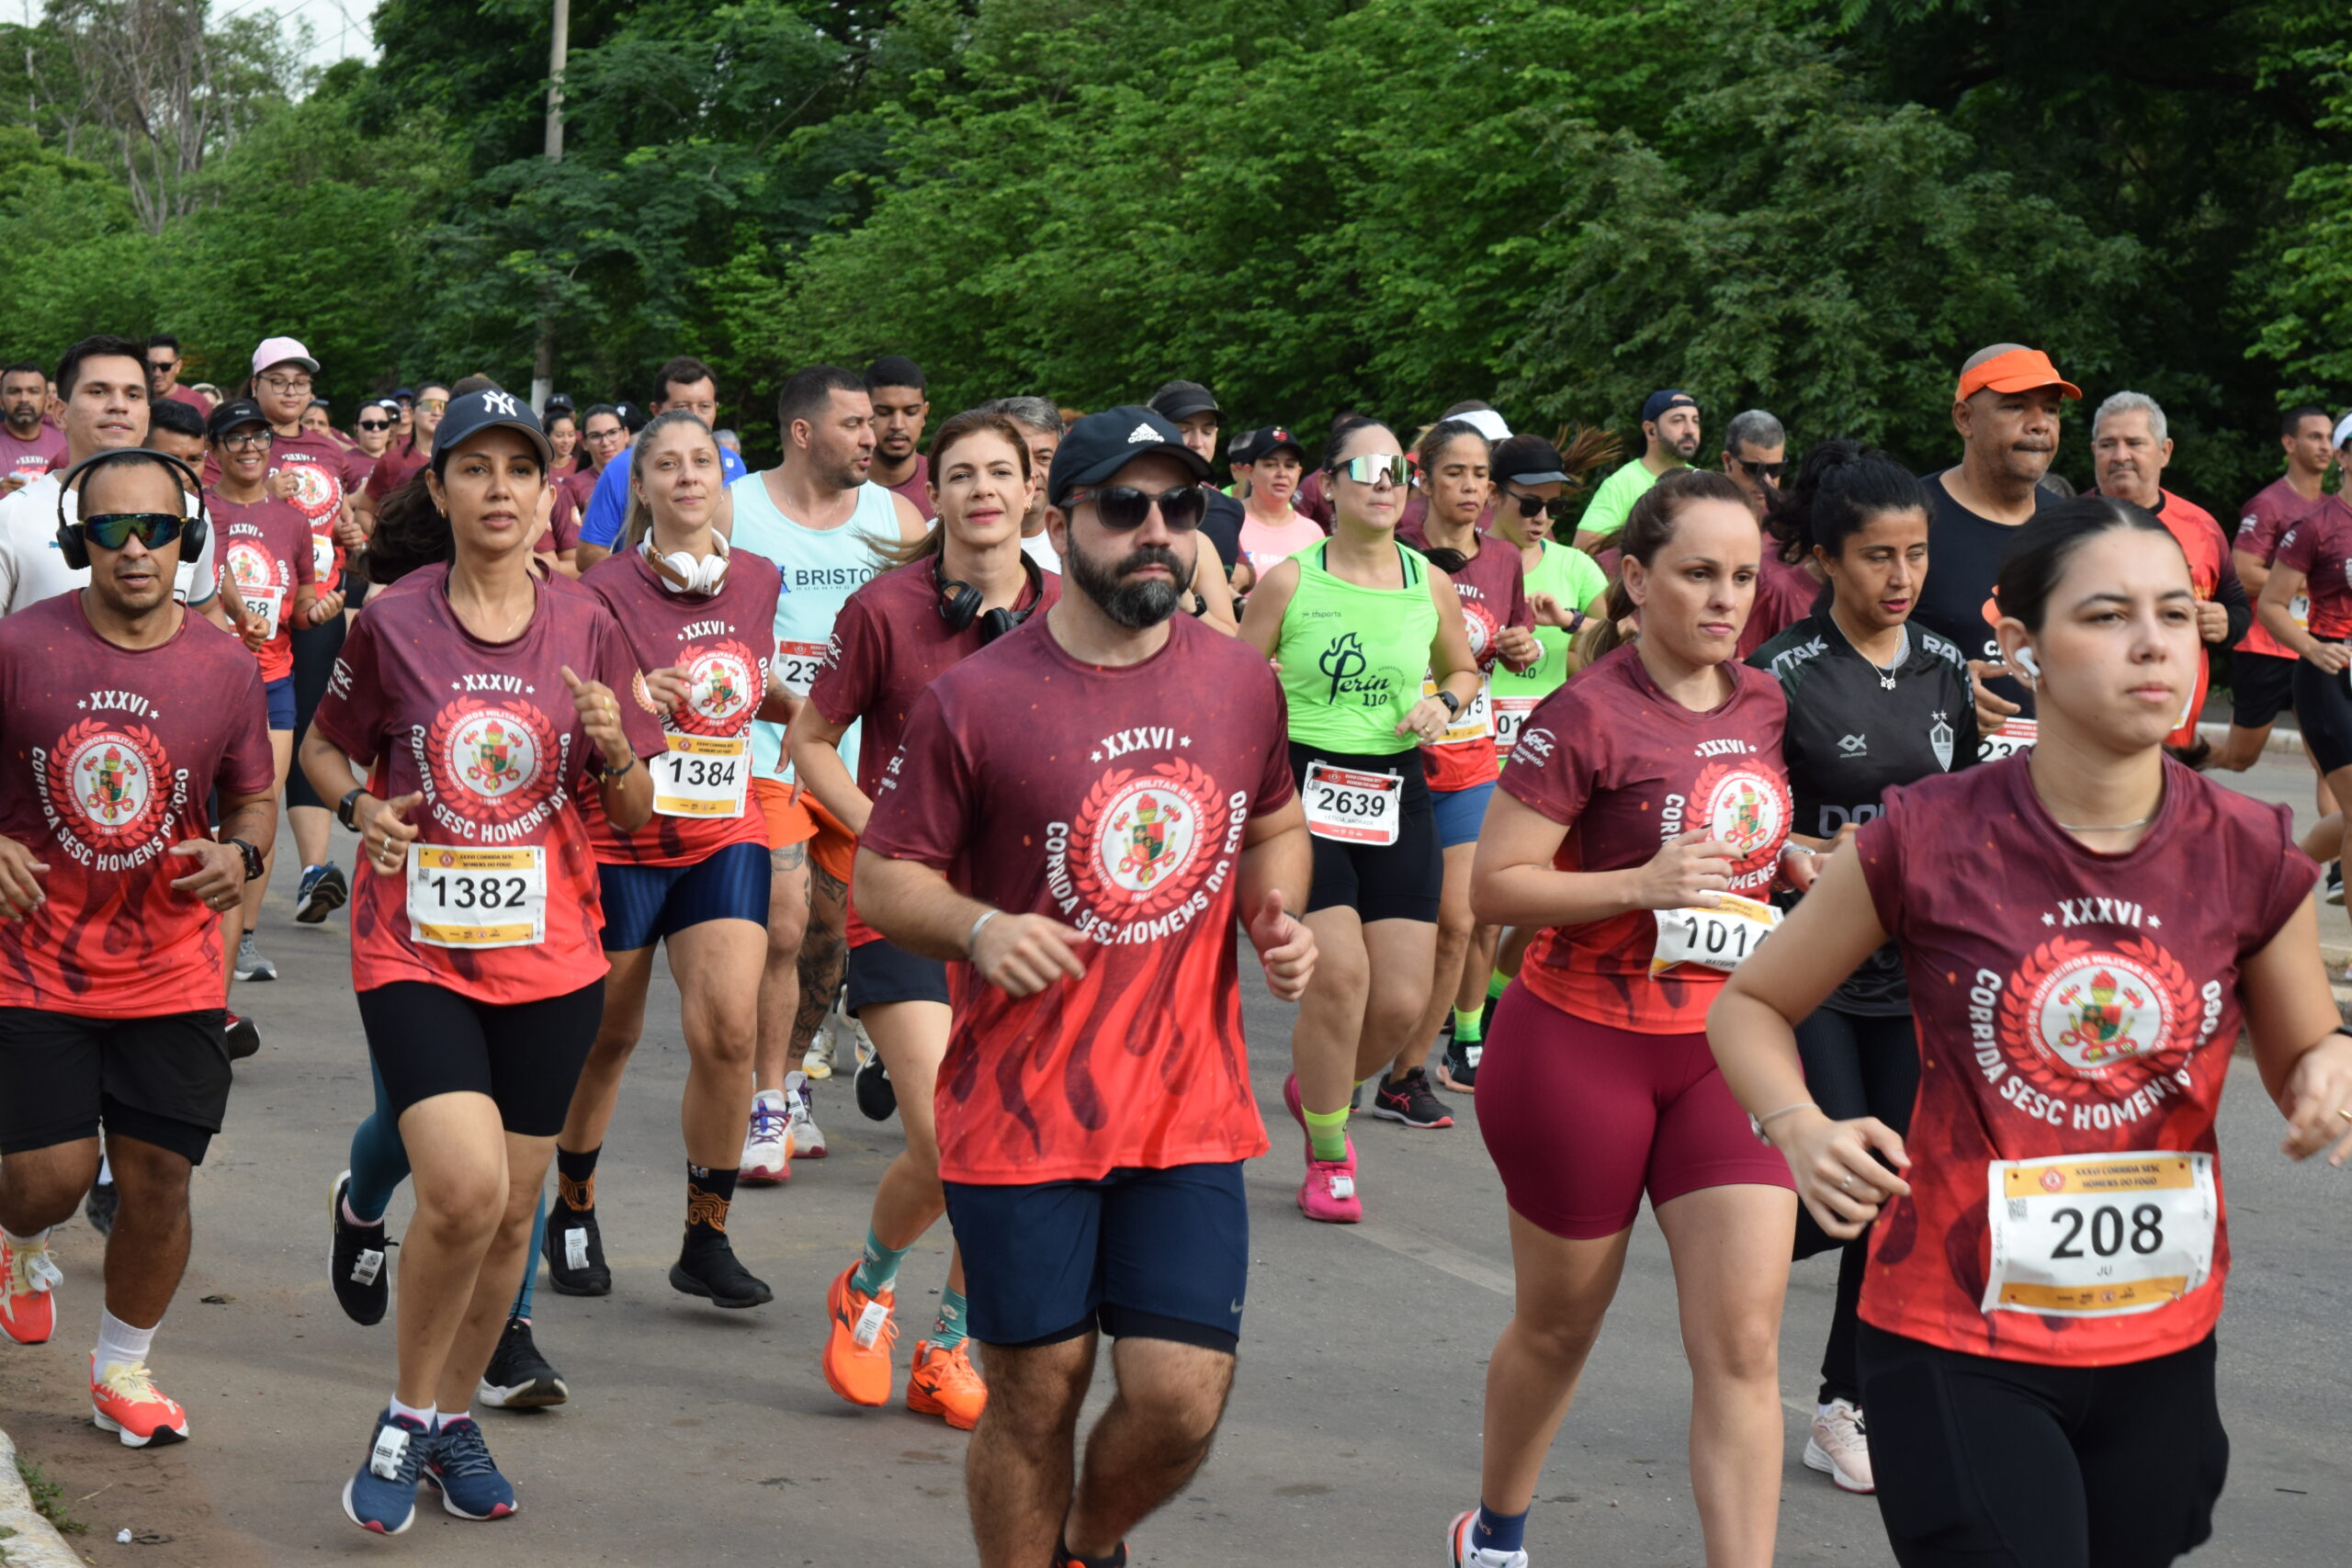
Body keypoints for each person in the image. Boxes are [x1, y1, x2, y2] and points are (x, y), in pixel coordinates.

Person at [1710, 496, 2352, 1568]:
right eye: (2105, 616)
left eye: (2171, 610)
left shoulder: (2250, 849)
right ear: (2019, 646)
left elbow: (2302, 1057)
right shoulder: (1928, 834)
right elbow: (1751, 1005)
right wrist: (1799, 1125)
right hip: (1952, 1331)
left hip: (2160, 1336)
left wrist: (2333, 1065)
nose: (2151, 641)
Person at [854, 403, 1314, 1568]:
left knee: (1179, 1397)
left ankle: (1086, 1544)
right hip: (1022, 1110)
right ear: (1061, 526)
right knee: (1037, 1391)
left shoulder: (1240, 685)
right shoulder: (982, 697)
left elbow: (1275, 825)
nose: (1155, 530)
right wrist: (978, 925)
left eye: (1178, 508)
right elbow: (885, 875)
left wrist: (1275, 914)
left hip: (1188, 1104)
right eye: (1124, 508)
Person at [301, 389, 663, 1533]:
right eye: (476, 470)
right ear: (442, 490)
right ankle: (407, 1418)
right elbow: (322, 748)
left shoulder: (595, 622)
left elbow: (642, 807)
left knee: (513, 1215)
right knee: (462, 1191)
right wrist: (361, 807)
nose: (501, 489)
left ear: (549, 490)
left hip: (554, 953)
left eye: (521, 469)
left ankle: (456, 1415)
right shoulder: (395, 620)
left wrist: (615, 752)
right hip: (412, 945)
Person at [1446, 468, 1799, 1568]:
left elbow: (1728, 840)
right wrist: (1639, 885)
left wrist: (1786, 858)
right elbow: (1494, 889)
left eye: (1742, 576)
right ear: (1636, 580)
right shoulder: (1584, 712)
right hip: (1576, 1050)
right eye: (1698, 574)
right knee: (1560, 1326)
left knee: (1743, 1344)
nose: (1724, 598)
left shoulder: (1762, 703)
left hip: (1724, 1050)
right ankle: (1496, 1531)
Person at [0, 446, 276, 1448]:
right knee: (48, 1179)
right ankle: (20, 1241)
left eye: (156, 528)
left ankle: (123, 1369)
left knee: (159, 1178)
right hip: (33, 960)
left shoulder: (223, 665)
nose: (134, 547)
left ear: (188, 541)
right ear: (79, 541)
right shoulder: (19, 646)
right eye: (110, 528)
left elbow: (254, 792)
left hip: (175, 964)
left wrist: (241, 852)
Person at [790, 409, 1060, 1432]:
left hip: (1027, 911)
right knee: (948, 1140)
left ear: (1032, 491)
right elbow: (815, 740)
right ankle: (869, 1285)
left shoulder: (1071, 611)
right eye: (962, 475)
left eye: (1004, 473)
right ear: (933, 494)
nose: (984, 491)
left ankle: (947, 1342)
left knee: (1010, 1149)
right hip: (904, 906)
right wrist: (880, 829)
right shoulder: (883, 610)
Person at [1745, 444, 1976, 1499]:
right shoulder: (1781, 674)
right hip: (1805, 967)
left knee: (1891, 1189)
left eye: (1917, 555)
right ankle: (1723, 1224)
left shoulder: (1942, 666)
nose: (1901, 576)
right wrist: (1793, 847)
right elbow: (1744, 812)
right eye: (1877, 556)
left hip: (1909, 968)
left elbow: (1967, 806)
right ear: (1828, 560)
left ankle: (1843, 1404)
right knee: (1843, 1187)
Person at [541, 411, 787, 1313]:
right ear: (638, 486)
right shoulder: (598, 589)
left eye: (705, 464)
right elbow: (566, 704)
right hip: (620, 836)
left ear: (723, 485)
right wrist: (636, 699)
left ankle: (706, 1238)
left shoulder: (758, 579)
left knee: (727, 1030)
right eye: (668, 466)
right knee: (606, 1036)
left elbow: (760, 678)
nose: (689, 478)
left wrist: (812, 717)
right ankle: (572, 1207)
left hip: (725, 829)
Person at [1238, 416, 1479, 1223]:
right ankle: (1330, 1152)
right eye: (1366, 468)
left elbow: (1463, 667)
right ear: (1331, 486)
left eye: (1397, 470)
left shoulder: (1428, 581)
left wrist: (1445, 702)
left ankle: (1321, 1086)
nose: (1385, 481)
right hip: (1304, 790)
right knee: (1340, 977)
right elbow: (1235, 684)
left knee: (1404, 1002)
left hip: (1396, 791)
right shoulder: (1291, 581)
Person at [729, 365, 928, 1178]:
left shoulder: (897, 516)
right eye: (855, 423)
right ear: (804, 432)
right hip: (761, 750)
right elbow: (679, 602)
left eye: (875, 423)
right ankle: (765, 1100)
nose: (874, 436)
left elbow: (929, 621)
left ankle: (797, 1078)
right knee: (783, 913)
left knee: (827, 933)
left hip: (860, 763)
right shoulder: (732, 507)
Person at [1369, 419, 1546, 1131]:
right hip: (1391, 755)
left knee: (1461, 920)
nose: (1472, 488)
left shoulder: (1505, 560)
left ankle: (1406, 1074)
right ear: (1425, 480)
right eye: (1457, 474)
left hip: (1472, 759)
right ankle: (1343, 1058)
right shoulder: (1393, 550)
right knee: (1371, 931)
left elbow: (1520, 646)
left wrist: (1523, 645)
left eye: (1482, 476)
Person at [1453, 434, 1611, 1089]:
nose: (1543, 516)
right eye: (1530, 502)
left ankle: (1489, 999)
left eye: (1552, 505)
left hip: (1557, 750)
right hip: (1478, 743)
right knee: (1482, 903)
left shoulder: (1575, 567)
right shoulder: (1469, 561)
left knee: (1545, 898)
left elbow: (1622, 637)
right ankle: (1464, 1036)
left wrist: (1570, 621)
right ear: (1495, 497)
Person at [205, 398, 340, 989]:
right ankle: (194, 938)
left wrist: (322, 609)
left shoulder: (291, 519)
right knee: (203, 817)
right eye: (236, 438)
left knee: (257, 809)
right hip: (206, 684)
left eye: (259, 437)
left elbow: (304, 605)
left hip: (274, 680)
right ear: (215, 451)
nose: (251, 448)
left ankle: (246, 938)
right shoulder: (200, 513)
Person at [242, 337, 369, 933]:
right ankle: (235, 865)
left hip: (318, 608)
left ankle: (315, 870)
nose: (292, 391)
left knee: (313, 729)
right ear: (256, 385)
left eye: (301, 382)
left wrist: (350, 529)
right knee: (251, 735)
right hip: (255, 613)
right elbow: (214, 508)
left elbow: (344, 521)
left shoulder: (331, 449)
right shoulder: (236, 439)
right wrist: (266, 495)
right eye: (279, 380)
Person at [1911, 344, 2080, 758]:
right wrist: (1940, 690)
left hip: (2052, 793)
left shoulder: (2076, 531)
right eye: (2016, 407)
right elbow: (1839, 651)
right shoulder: (1907, 519)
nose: (2040, 424)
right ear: (1965, 419)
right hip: (1936, 793)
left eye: (2052, 411)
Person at [0, 336, 229, 625]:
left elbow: (206, 609)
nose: (118, 405)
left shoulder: (189, 511)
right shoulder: (11, 517)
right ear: (60, 412)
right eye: (98, 391)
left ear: (147, 415)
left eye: (133, 395)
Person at [2088, 390, 2246, 754]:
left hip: (2175, 734)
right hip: (2094, 729)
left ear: (2165, 451)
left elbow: (2236, 606)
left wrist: (2225, 624)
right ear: (2094, 450)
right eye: (2108, 444)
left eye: (2135, 443)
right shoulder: (2066, 524)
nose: (2120, 456)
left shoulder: (2202, 526)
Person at [2215, 407, 2339, 855]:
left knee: (2330, 763)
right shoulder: (2269, 505)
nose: (2324, 446)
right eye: (2314, 437)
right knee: (2239, 757)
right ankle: (2181, 760)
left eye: (2329, 438)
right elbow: (2244, 573)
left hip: (2316, 651)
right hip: (2266, 646)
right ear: (2289, 444)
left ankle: (2337, 866)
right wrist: (2311, 577)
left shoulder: (2335, 510)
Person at [2256, 415, 2352, 839]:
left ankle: (2283, 874)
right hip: (2329, 673)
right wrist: (2312, 649)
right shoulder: (2317, 525)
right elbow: (2272, 605)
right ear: (2343, 457)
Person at [575, 358, 747, 570]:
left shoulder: (734, 463)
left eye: (704, 406)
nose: (694, 416)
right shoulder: (620, 469)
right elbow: (588, 555)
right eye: (682, 407)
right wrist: (643, 583)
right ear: (656, 410)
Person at [1574, 389, 1701, 550]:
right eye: (1677, 421)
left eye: (1695, 421)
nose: (1690, 430)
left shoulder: (1701, 480)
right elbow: (1584, 549)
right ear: (1650, 430)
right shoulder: (1622, 483)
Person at [1148, 378, 1247, 576]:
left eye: (1207, 431)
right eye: (1182, 430)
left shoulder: (1230, 509)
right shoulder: (1131, 503)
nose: (1198, 442)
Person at [976, 395, 1064, 571]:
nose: (1031, 472)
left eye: (1044, 458)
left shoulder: (1082, 544)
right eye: (1017, 456)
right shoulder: (932, 541)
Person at [1227, 425, 1321, 592]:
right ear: (1249, 472)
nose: (1282, 473)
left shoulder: (1312, 532)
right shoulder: (1228, 521)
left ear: (1299, 472)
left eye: (1290, 466)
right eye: (1271, 465)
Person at [865, 355, 933, 520]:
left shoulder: (945, 481)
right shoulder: (839, 486)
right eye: (883, 413)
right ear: (864, 413)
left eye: (910, 412)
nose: (897, 425)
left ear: (924, 413)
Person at [0, 362, 69, 488]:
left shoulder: (66, 444)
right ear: (1, 401)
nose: (24, 399)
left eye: (33, 391)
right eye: (14, 391)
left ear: (47, 400)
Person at [144, 336, 214, 417]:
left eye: (165, 366)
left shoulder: (197, 402)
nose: (157, 373)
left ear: (178, 366)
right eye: (151, 366)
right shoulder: (134, 400)